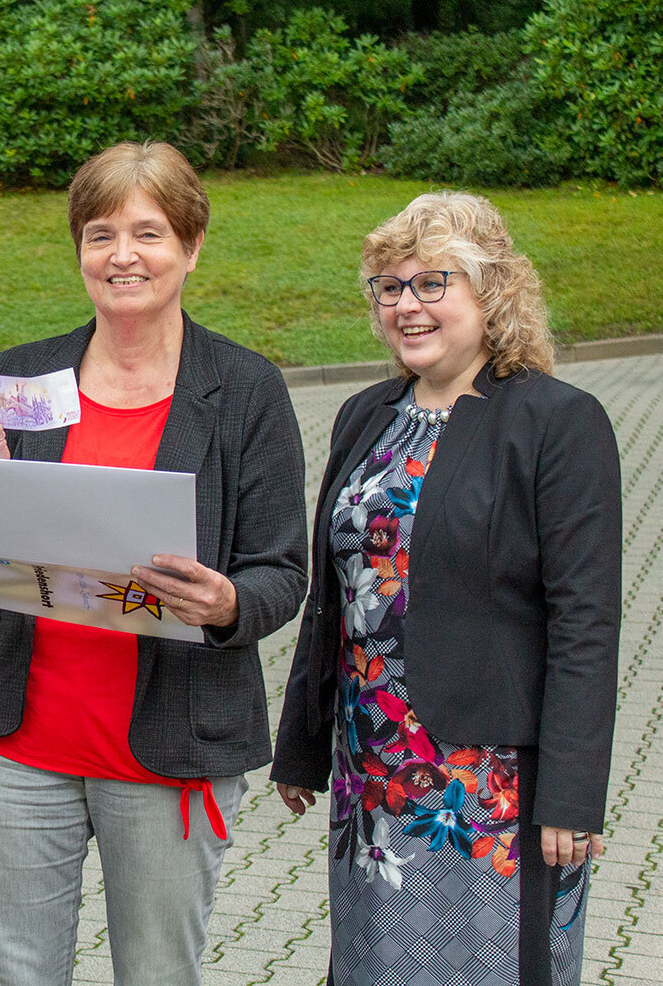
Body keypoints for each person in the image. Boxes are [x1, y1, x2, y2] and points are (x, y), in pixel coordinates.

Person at [0, 141, 309, 986]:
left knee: (156, 973)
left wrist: (225, 603)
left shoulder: (246, 389)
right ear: (78, 249)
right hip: (22, 744)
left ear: (191, 245)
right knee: (13, 970)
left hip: (170, 747)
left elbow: (282, 569)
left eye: (148, 232)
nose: (123, 255)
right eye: (100, 233)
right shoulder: (21, 376)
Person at [272, 191, 621, 986]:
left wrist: (573, 790)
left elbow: (587, 621)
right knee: (375, 965)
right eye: (390, 287)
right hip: (374, 771)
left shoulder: (557, 421)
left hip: (488, 784)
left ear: (492, 292)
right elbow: (334, 593)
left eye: (434, 283)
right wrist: (302, 741)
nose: (407, 304)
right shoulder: (367, 414)